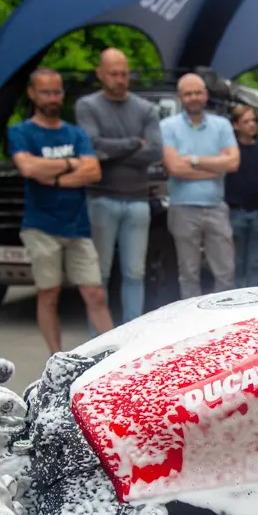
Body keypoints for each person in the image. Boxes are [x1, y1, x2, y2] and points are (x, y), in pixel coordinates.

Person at [8, 67, 113, 353]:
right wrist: (71, 163)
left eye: (56, 92)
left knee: (95, 292)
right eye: (46, 92)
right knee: (49, 293)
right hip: (40, 225)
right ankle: (56, 357)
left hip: (77, 225)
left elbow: (93, 170)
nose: (53, 98)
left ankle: (114, 356)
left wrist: (53, 177)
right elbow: (28, 168)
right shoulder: (21, 132)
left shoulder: (75, 133)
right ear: (32, 93)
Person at [75, 48, 163, 324]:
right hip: (101, 198)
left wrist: (110, 151)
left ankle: (132, 331)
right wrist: (134, 143)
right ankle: (99, 336)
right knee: (98, 274)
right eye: (113, 74)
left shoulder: (146, 109)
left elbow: (155, 151)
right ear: (100, 73)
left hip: (138, 200)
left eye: (124, 74)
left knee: (135, 273)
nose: (120, 79)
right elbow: (90, 146)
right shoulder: (87, 106)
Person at [160, 73, 239, 299]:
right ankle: (192, 318)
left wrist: (193, 160)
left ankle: (225, 315)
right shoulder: (167, 126)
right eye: (188, 93)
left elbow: (233, 163)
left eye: (197, 92)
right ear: (179, 97)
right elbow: (174, 168)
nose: (193, 97)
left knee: (226, 273)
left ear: (205, 95)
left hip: (216, 207)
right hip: (182, 208)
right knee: (188, 274)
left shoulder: (222, 125)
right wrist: (215, 167)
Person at [225, 106, 258, 288]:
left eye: (253, 121)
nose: (251, 125)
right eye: (246, 121)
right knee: (237, 259)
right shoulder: (231, 151)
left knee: (255, 260)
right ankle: (236, 294)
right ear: (236, 125)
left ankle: (255, 295)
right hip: (236, 211)